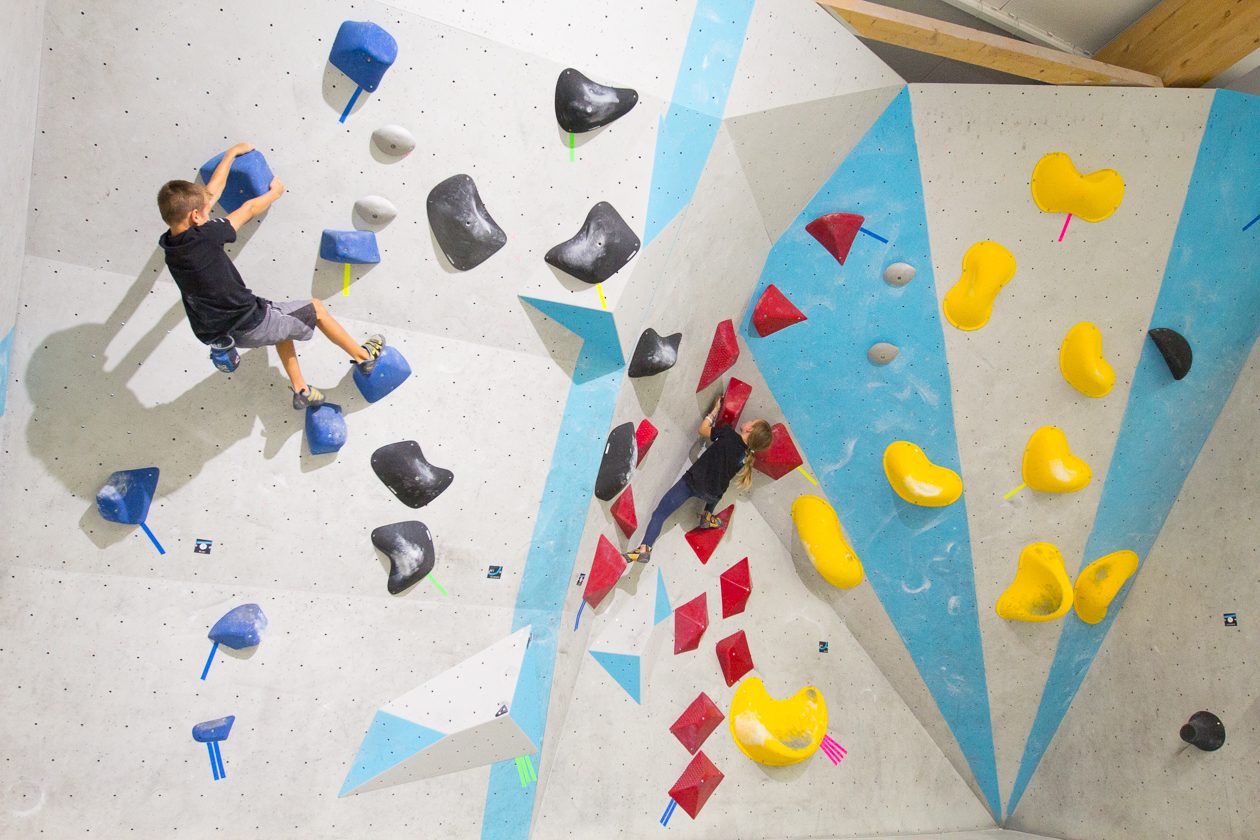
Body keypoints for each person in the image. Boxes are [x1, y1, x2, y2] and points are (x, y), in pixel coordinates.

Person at [157, 142, 384, 409]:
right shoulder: (206, 236)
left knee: (284, 321)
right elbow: (248, 209)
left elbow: (209, 196)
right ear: (196, 217)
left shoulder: (170, 247)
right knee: (316, 309)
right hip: (250, 322)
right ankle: (363, 356)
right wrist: (275, 193)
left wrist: (231, 155)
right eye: (204, 212)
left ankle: (301, 389)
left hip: (222, 332)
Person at [624, 393, 774, 563]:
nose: (748, 421)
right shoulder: (744, 458)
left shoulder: (728, 434)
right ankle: (707, 515)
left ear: (749, 430)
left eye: (752, 422)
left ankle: (645, 548)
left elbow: (702, 430)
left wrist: (715, 411)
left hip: (693, 483)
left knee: (660, 513)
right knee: (719, 486)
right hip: (712, 495)